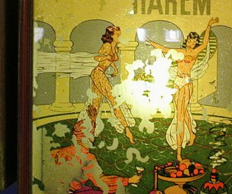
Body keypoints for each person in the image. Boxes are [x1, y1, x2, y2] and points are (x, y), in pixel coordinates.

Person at [147, 17, 219, 162]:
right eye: (190, 41)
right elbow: (165, 49)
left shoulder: (196, 52)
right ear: (187, 40)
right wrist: (152, 43)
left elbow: (205, 43)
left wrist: (209, 26)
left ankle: (179, 152)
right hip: (176, 83)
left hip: (186, 84)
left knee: (180, 116)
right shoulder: (179, 51)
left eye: (194, 41)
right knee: (182, 111)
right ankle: (192, 134)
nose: (192, 43)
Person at [86, 25, 134, 143]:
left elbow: (110, 59)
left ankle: (91, 132)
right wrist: (106, 57)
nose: (119, 37)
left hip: (100, 73)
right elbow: (96, 57)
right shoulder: (107, 46)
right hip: (97, 73)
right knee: (113, 100)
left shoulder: (114, 47)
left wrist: (114, 69)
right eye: (117, 35)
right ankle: (127, 130)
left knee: (96, 103)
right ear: (111, 35)